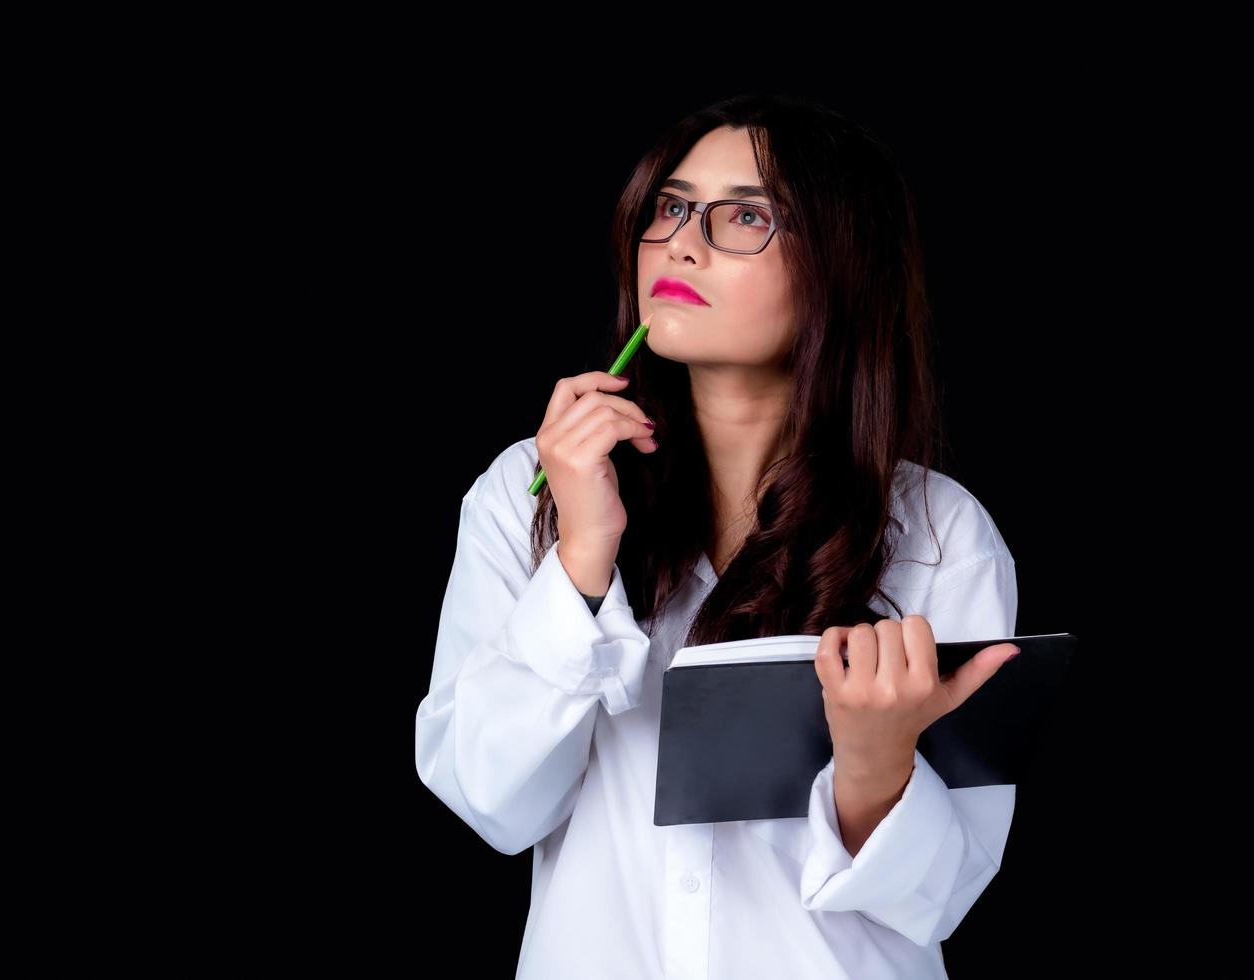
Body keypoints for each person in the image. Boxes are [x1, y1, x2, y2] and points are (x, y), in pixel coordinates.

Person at [414, 92, 1020, 980]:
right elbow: (491, 803)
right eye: (670, 205)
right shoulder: (530, 491)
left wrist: (876, 768)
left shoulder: (938, 533)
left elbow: (940, 898)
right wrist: (582, 563)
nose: (682, 242)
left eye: (745, 215)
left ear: (842, 265)